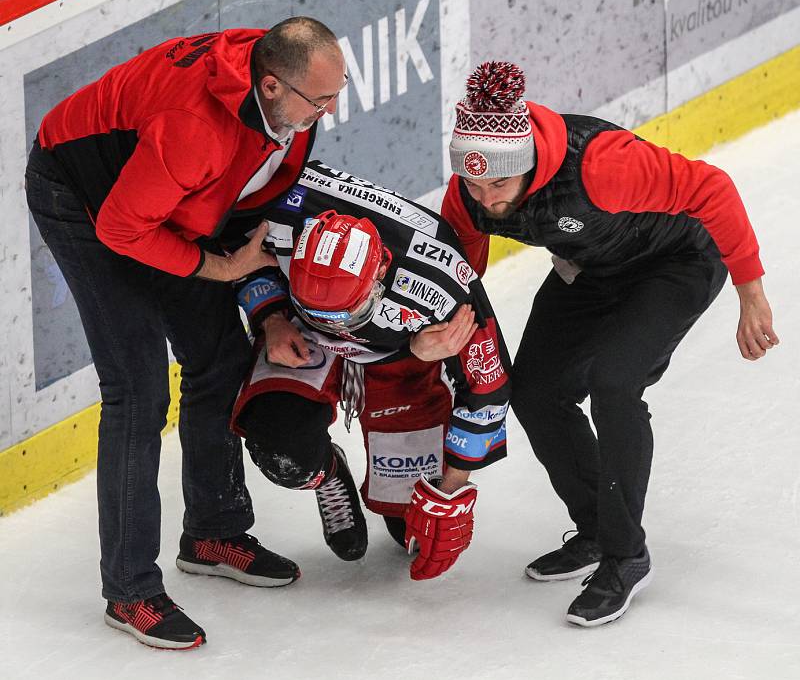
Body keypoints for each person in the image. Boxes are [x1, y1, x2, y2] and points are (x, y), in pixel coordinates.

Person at [24, 18, 348, 649]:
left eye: (337, 94)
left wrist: (269, 312)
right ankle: (129, 590)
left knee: (221, 358)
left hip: (163, 197)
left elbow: (248, 205)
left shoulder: (280, 82)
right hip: (85, 201)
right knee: (138, 391)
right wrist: (218, 268)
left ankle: (213, 531)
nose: (330, 111)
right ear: (274, 86)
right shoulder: (197, 129)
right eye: (320, 101)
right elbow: (123, 229)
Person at [440, 61, 779, 627]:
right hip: (591, 270)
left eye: (498, 184)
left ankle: (626, 555)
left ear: (527, 163)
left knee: (615, 383)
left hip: (676, 262)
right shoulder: (471, 194)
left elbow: (712, 188)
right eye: (474, 185)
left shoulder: (601, 167)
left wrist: (751, 292)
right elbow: (462, 271)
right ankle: (595, 528)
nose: (487, 199)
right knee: (535, 391)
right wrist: (454, 335)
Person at [230, 160, 511, 580]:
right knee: (283, 454)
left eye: (348, 313)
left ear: (382, 269)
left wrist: (450, 490)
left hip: (402, 355)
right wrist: (271, 315)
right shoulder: (277, 213)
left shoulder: (442, 284)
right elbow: (229, 250)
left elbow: (488, 387)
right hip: (299, 335)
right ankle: (327, 473)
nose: (337, 329)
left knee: (408, 529)